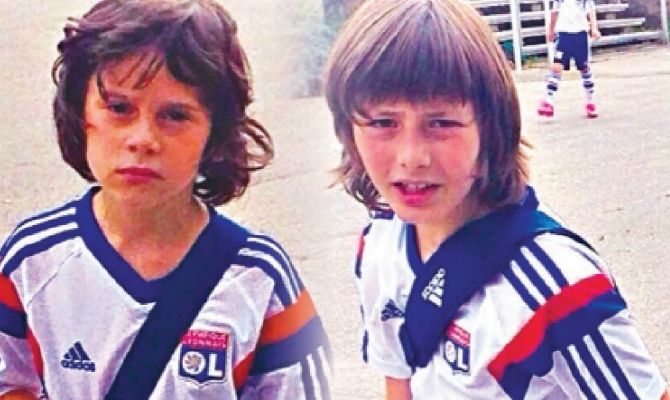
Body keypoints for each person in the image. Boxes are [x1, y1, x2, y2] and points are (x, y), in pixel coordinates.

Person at [323, 0, 669, 399]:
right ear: (348, 130)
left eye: (441, 122)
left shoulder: (556, 288)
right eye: (383, 122)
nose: (411, 157)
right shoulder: (379, 243)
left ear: (490, 128)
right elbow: (398, 378)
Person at [0, 0, 331, 398]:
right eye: (119, 107)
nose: (143, 139)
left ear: (214, 133)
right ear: (78, 112)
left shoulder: (260, 279)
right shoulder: (31, 259)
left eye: (175, 115)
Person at [537, 0, 601, 118]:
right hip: (564, 35)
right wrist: (551, 30)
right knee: (557, 66)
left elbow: (591, 12)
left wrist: (593, 28)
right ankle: (549, 101)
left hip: (580, 34)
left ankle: (590, 101)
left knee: (584, 68)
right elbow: (554, 12)